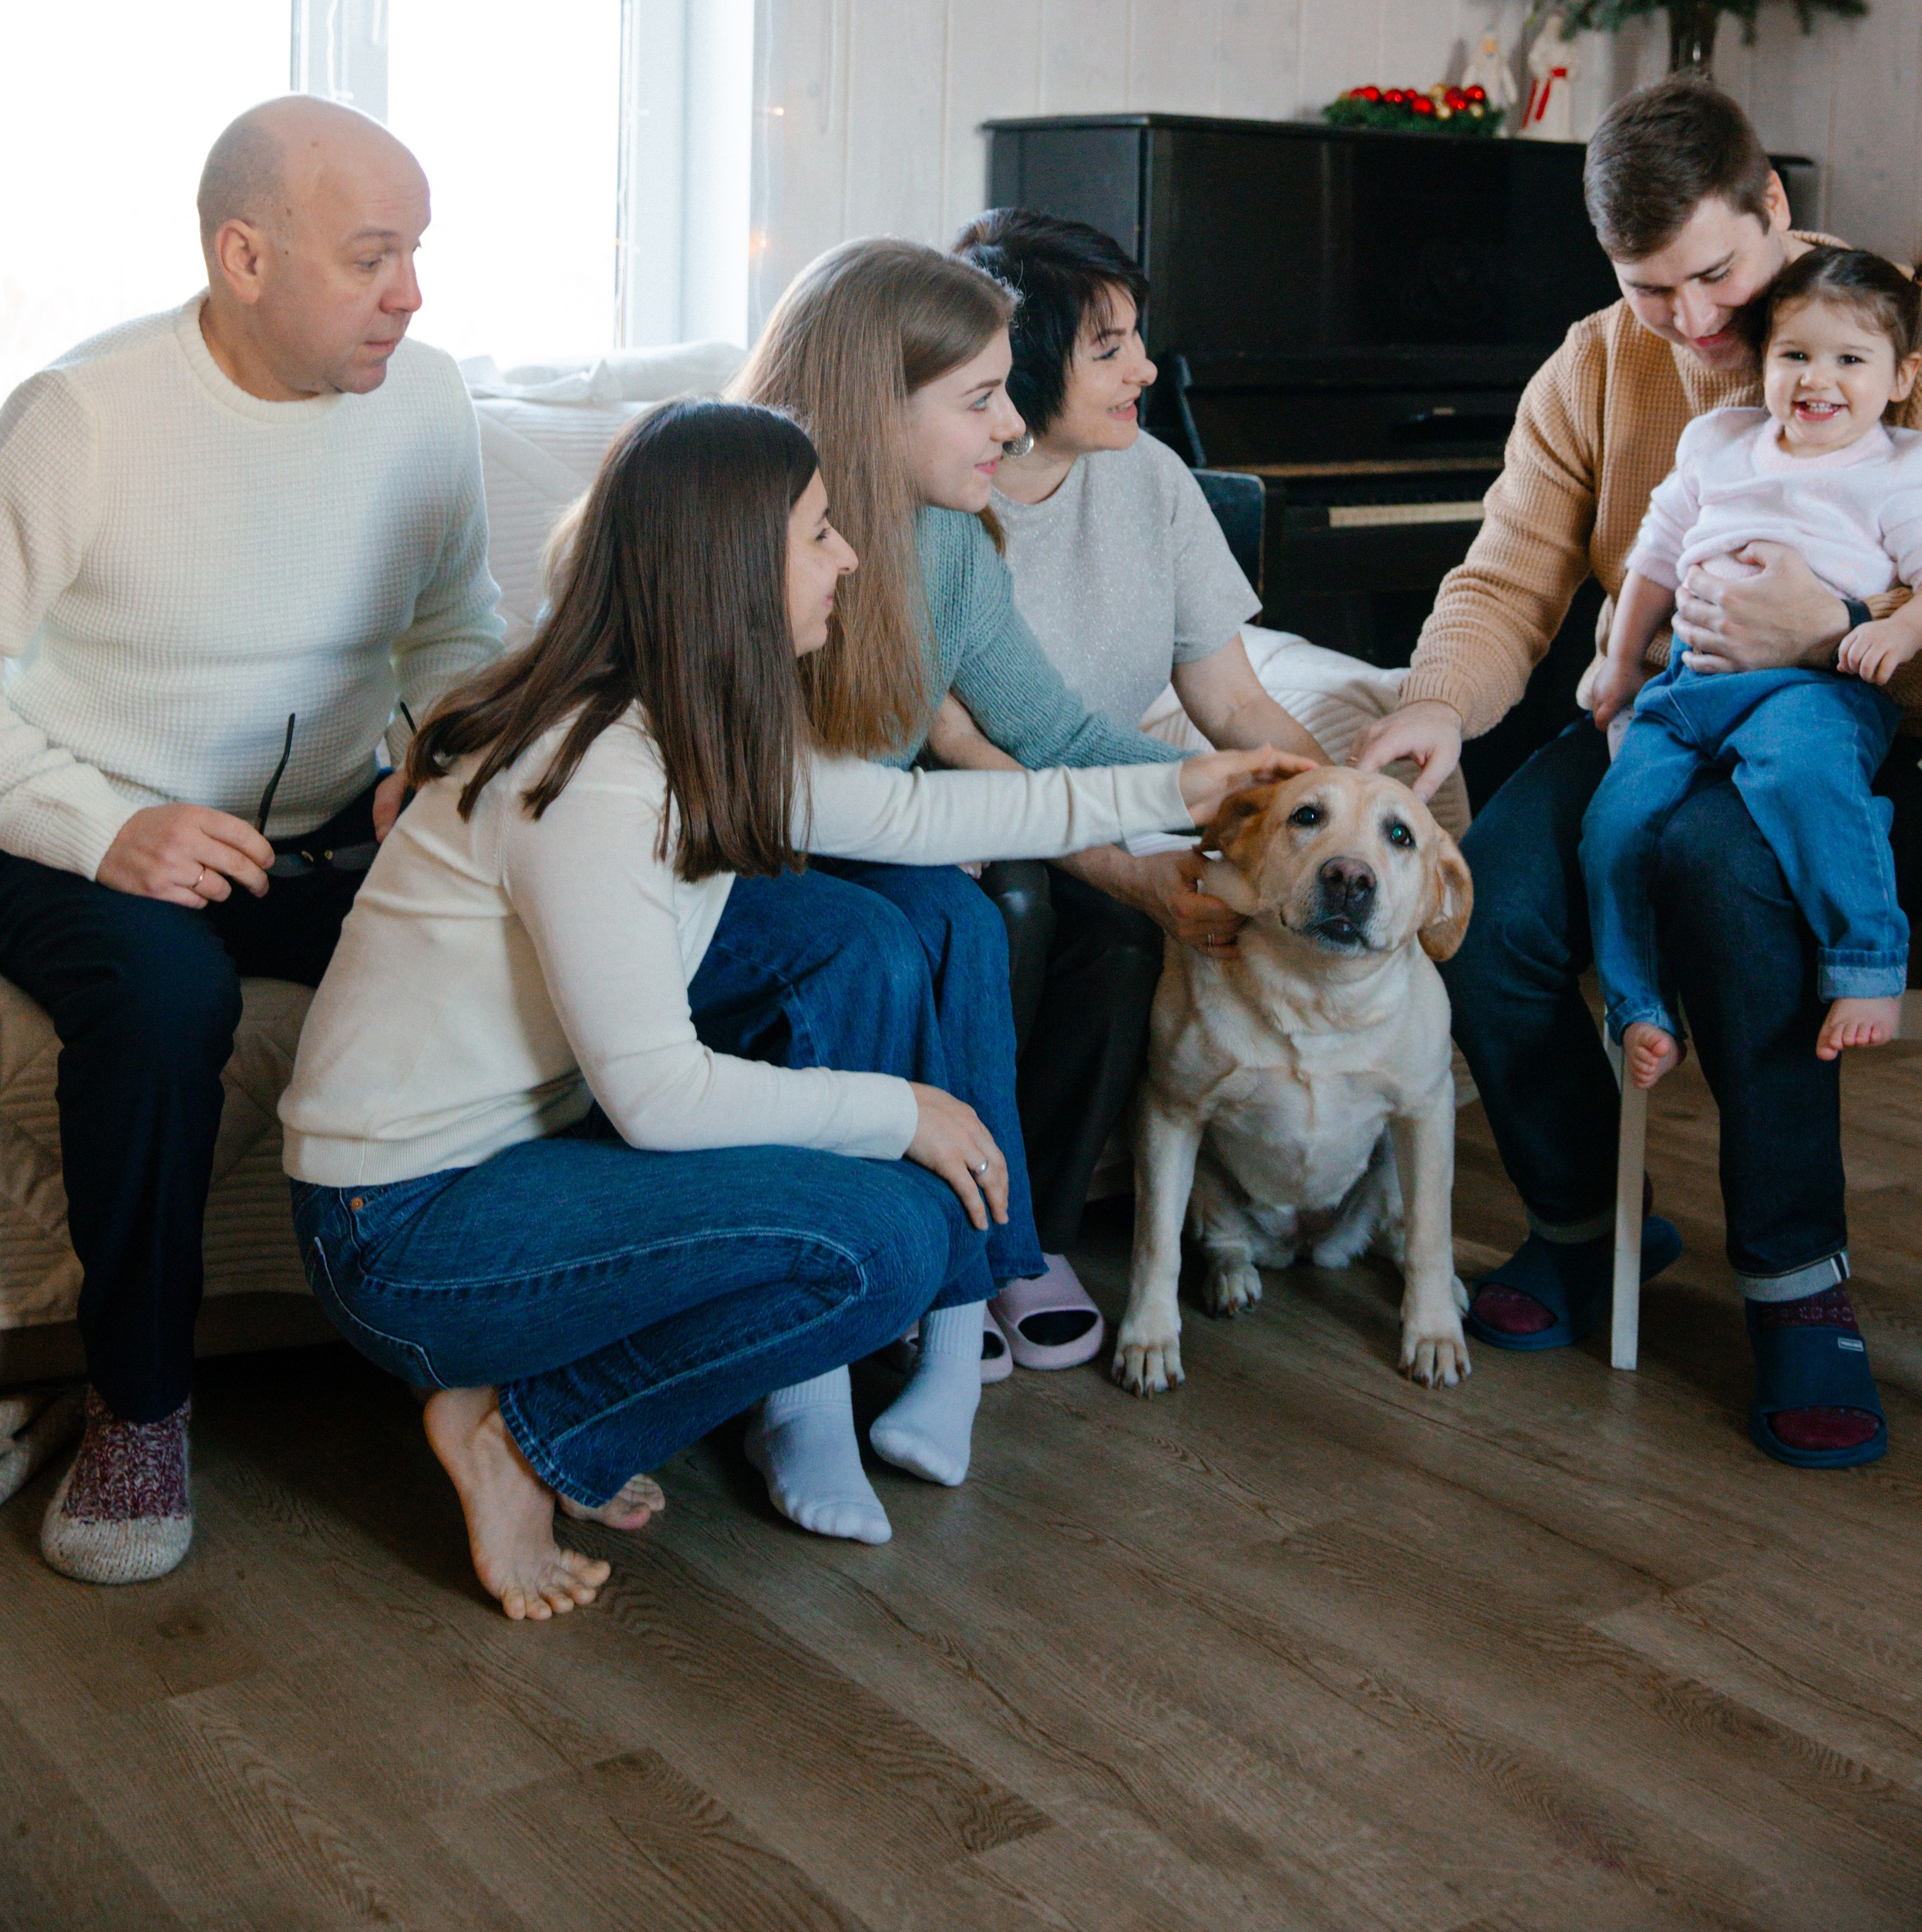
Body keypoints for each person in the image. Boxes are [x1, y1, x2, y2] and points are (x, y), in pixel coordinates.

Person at [279, 396, 1299, 1615]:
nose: (853, 558)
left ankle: (530, 1407)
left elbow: (922, 817)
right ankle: (526, 1436)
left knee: (894, 1161)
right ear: (730, 564)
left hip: (507, 1173)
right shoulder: (596, 771)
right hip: (400, 1230)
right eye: (820, 533)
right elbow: (658, 1096)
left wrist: (1183, 781)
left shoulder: (697, 722)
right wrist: (902, 1106)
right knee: (887, 1239)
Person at [1357, 76, 1922, 1469]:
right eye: (1652, 291)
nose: (1697, 322)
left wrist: (1840, 634)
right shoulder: (1595, 370)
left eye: (1718, 274)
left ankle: (1796, 1281)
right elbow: (1510, 572)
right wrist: (1438, 709)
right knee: (1481, 905)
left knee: (1723, 871)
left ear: (1778, 211)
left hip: (1877, 759)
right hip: (1664, 715)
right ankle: (1586, 1221)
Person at [0, 97, 502, 1583]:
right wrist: (108, 829)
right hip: (79, 820)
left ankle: (495, 1358)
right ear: (244, 256)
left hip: (323, 819)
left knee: (501, 926)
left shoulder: (429, 399)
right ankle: (138, 1405)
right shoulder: (82, 417)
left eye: (417, 254)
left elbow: (455, 625)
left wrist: (438, 748)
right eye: (373, 257)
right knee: (169, 1005)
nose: (410, 294)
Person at [732, 239, 1189, 1373]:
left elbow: (1060, 733)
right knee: (911, 928)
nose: (1015, 429)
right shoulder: (738, 527)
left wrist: (1242, 802)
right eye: (983, 401)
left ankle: (974, 1272)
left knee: (967, 919)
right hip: (738, 850)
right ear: (872, 405)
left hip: (876, 837)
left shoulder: (952, 547)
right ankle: (874, 1301)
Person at [948, 207, 1380, 1368]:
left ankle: (1027, 1241)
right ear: (1020, 362)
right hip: (965, 808)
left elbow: (1232, 702)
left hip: (1106, 785)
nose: (1147, 369)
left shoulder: (1151, 478)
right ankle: (956, 1257)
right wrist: (1133, 864)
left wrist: (1352, 811)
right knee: (1021, 912)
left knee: (1131, 949)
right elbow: (970, 753)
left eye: (1139, 337)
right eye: (1109, 349)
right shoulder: (943, 490)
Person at [1584, 247, 1922, 1116]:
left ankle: (1867, 963)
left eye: (1849, 359)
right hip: (1689, 685)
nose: (1816, 380)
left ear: (1901, 375)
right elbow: (1653, 553)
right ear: (1761, 362)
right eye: (1794, 355)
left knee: (1805, 779)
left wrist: (1893, 627)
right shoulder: (1718, 443)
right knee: (1614, 821)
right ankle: (1639, 1005)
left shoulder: (1898, 467)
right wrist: (1619, 661)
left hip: (1814, 687)